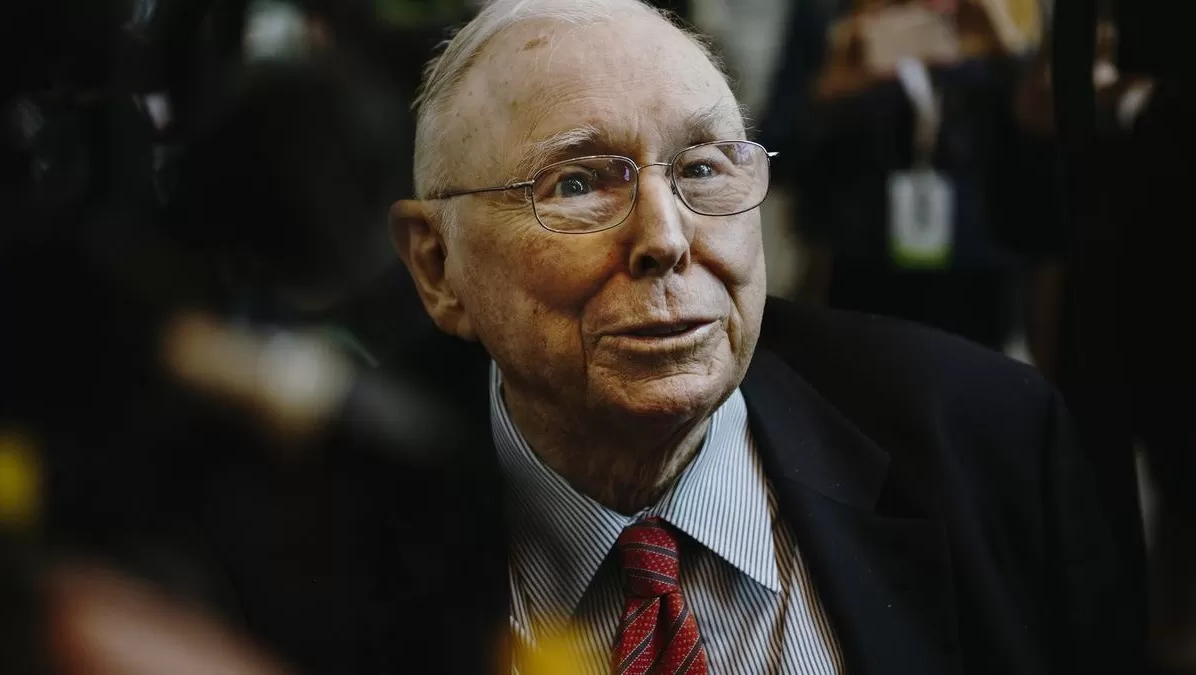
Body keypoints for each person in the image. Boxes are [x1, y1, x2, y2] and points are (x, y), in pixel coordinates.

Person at [385, 0, 1143, 673]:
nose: (666, 238)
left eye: (702, 168)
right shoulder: (342, 528)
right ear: (437, 265)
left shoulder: (995, 444)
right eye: (577, 183)